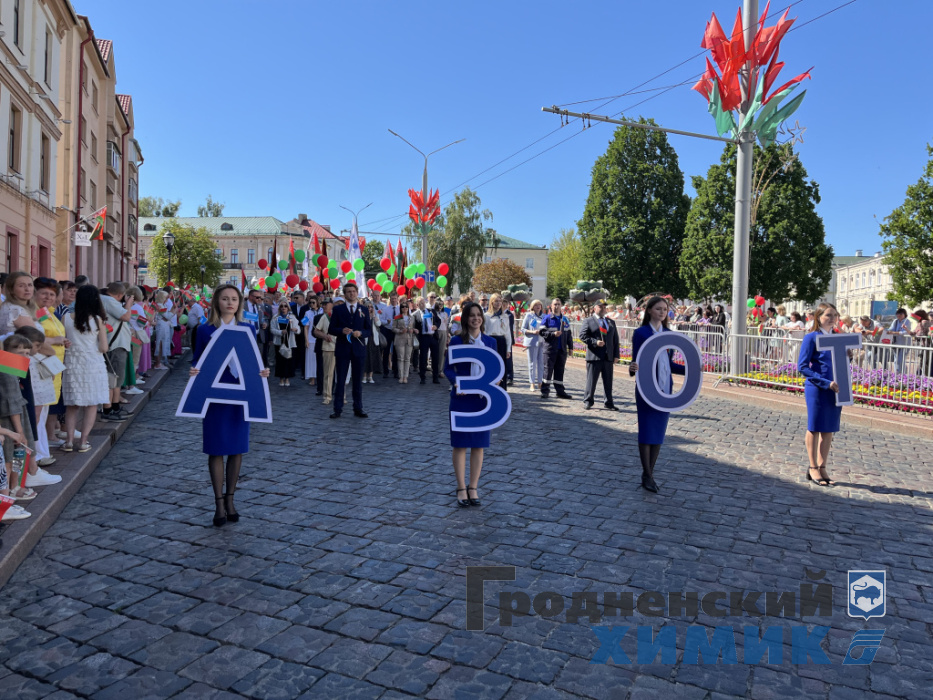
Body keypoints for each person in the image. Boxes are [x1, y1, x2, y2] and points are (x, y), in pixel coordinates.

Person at [191, 284, 270, 526]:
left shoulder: (247, 328)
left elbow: (254, 361)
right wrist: (194, 371)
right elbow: (197, 360)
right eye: (225, 298)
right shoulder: (205, 330)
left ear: (239, 303)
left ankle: (231, 499)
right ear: (217, 301)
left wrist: (262, 372)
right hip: (215, 396)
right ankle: (217, 503)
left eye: (234, 299)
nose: (230, 303)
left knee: (237, 448)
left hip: (240, 396)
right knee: (215, 448)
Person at [444, 301, 498, 507]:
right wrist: (457, 382)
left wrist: (497, 379)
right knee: (460, 444)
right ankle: (460, 487)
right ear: (465, 318)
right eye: (471, 315)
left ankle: (473, 486)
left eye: (479, 315)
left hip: (482, 400)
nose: (476, 318)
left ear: (482, 319)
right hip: (461, 399)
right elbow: (448, 369)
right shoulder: (457, 342)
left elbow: (496, 368)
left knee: (479, 445)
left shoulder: (490, 343)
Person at [629, 296, 685, 493]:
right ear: (650, 310)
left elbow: (669, 364)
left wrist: (692, 369)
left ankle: (649, 473)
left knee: (659, 432)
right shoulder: (641, 333)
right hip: (646, 388)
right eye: (659, 308)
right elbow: (635, 361)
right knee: (646, 430)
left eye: (665, 309)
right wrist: (632, 367)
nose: (662, 312)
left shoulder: (669, 334)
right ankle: (647, 473)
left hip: (665, 388)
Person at [797, 302, 844, 487]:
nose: (832, 318)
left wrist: (847, 355)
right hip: (817, 388)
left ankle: (823, 466)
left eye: (834, 315)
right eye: (828, 315)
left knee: (829, 428)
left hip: (836, 389)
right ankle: (812, 466)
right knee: (815, 426)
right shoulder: (811, 337)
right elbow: (802, 367)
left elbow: (839, 363)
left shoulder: (838, 337)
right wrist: (825, 383)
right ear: (818, 317)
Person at [62, 285, 111, 453]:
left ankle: (68, 441)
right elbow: (104, 347)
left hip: (72, 363)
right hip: (93, 364)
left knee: (72, 405)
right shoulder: (98, 320)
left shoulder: (66, 318)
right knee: (91, 404)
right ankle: (83, 441)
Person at [329, 283, 370, 418]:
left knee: (357, 380)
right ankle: (337, 408)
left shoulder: (364, 309)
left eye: (353, 291)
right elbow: (331, 329)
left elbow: (369, 330)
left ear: (357, 292)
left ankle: (358, 408)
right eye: (348, 292)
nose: (351, 294)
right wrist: (341, 331)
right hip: (343, 349)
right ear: (345, 294)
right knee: (340, 380)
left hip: (358, 349)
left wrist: (361, 333)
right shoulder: (338, 309)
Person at [100, 282, 133, 421]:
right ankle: (109, 410)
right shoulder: (109, 301)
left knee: (116, 378)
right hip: (115, 346)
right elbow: (125, 317)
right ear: (120, 295)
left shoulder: (106, 300)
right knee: (114, 378)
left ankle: (114, 407)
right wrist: (129, 304)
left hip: (117, 344)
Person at [580, 300, 621, 410]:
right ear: (594, 308)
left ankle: (609, 402)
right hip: (594, 356)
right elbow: (582, 336)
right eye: (600, 307)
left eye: (604, 307)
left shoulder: (610, 322)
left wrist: (616, 355)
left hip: (608, 357)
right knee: (591, 380)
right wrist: (595, 342)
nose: (603, 309)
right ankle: (588, 400)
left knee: (608, 381)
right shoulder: (588, 321)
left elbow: (615, 340)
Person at [539, 298, 573, 399]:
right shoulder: (547, 318)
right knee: (548, 371)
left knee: (560, 371)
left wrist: (570, 347)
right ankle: (545, 391)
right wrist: (553, 334)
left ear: (561, 306)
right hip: (550, 349)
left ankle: (560, 391)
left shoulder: (565, 319)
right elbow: (542, 332)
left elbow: (569, 335)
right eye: (555, 304)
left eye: (558, 304)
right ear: (551, 306)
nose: (557, 306)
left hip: (561, 350)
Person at [484, 294, 512, 392]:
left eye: (500, 301)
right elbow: (484, 331)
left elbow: (508, 333)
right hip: (490, 340)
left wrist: (508, 348)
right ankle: (489, 386)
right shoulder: (486, 316)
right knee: (491, 365)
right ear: (492, 302)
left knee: (501, 365)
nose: (498, 303)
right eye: (496, 301)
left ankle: (502, 388)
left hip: (501, 341)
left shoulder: (505, 316)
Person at [313, 300, 337, 404]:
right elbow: (315, 331)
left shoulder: (343, 316)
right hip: (328, 347)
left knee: (342, 374)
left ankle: (342, 395)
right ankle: (327, 395)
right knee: (328, 372)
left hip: (342, 347)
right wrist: (324, 336)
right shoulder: (324, 317)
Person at [271, 301, 299, 387]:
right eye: (282, 306)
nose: (283, 308)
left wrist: (295, 329)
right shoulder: (275, 317)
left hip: (289, 342)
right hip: (279, 342)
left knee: (289, 361)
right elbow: (272, 329)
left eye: (285, 306)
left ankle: (287, 378)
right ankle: (281, 378)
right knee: (280, 361)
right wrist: (280, 332)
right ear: (279, 308)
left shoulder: (292, 317)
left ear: (288, 308)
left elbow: (298, 329)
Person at [521, 299, 546, 392]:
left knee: (541, 364)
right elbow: (523, 329)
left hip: (542, 342)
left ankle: (540, 383)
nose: (538, 306)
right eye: (536, 305)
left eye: (539, 305)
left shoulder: (544, 316)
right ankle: (532, 383)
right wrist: (532, 332)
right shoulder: (529, 315)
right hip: (532, 341)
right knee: (532, 363)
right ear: (532, 306)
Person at [393, 300, 415, 384]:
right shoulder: (397, 317)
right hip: (399, 339)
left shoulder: (411, 317)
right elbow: (393, 328)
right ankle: (401, 376)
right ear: (400, 308)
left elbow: (413, 327)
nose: (405, 308)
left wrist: (413, 330)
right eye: (403, 307)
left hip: (409, 339)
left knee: (407, 358)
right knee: (400, 358)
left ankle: (406, 376)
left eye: (406, 306)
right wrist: (400, 331)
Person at [362, 297, 382, 384]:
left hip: (373, 339)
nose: (369, 309)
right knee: (365, 358)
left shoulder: (375, 315)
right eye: (368, 307)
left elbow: (379, 324)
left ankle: (370, 376)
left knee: (373, 358)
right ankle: (364, 376)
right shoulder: (362, 316)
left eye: (371, 307)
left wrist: (374, 316)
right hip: (366, 339)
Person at [152, 290, 173, 370]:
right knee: (159, 344)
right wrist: (173, 310)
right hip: (161, 326)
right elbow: (167, 316)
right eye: (166, 297)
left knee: (161, 344)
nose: (167, 299)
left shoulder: (162, 305)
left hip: (163, 325)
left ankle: (159, 362)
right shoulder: (159, 305)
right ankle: (157, 363)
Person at [302, 296, 319, 385]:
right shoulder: (307, 313)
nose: (312, 304)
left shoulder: (322, 311)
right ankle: (312, 378)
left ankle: (319, 377)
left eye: (313, 302)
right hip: (311, 339)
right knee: (311, 360)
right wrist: (306, 340)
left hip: (320, 338)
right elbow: (305, 327)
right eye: (310, 303)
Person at [888, 308, 911, 374]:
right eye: (898, 314)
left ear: (904, 314)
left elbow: (906, 332)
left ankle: (902, 374)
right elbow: (891, 329)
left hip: (904, 343)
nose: (899, 315)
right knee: (896, 360)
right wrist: (887, 330)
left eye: (901, 314)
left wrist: (895, 333)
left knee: (900, 360)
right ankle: (897, 374)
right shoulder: (895, 321)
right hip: (895, 343)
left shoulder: (907, 321)